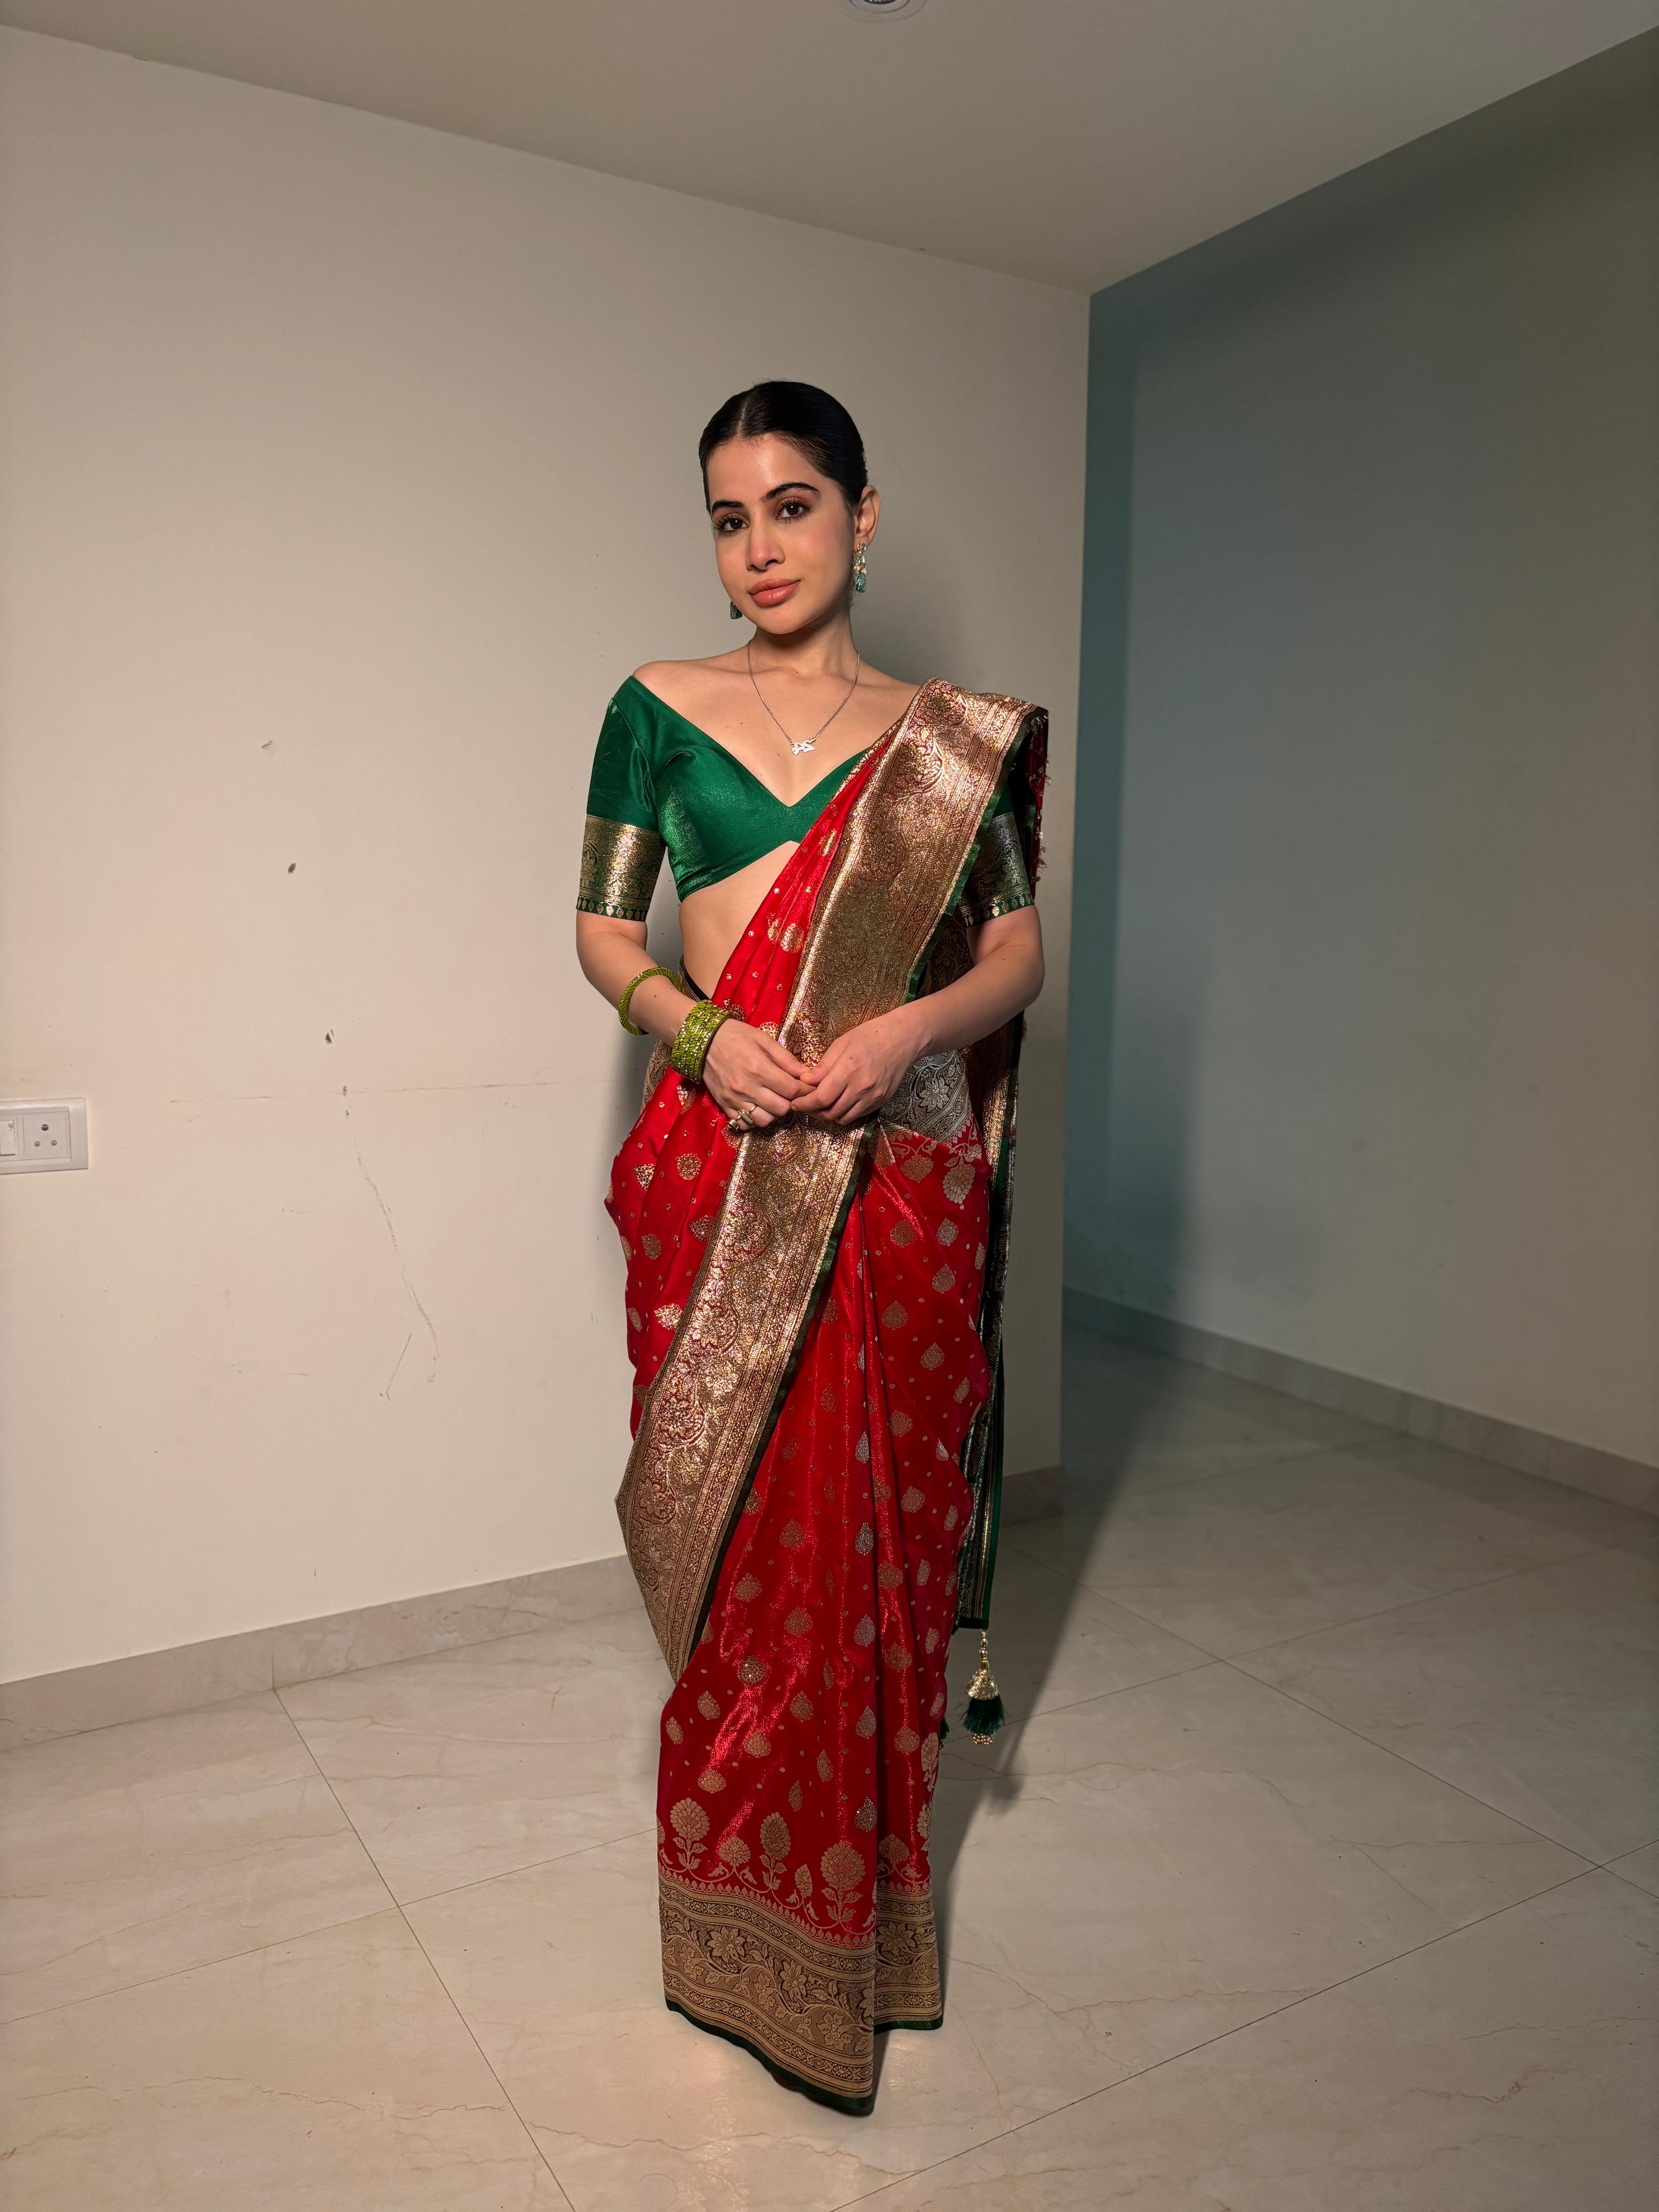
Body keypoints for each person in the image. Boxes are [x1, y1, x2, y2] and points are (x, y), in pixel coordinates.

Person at [574, 380, 1046, 2113]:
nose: (756, 547)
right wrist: (698, 1038)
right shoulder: (654, 711)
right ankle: (734, 1934)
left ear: (862, 514)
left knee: (875, 1552)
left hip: (890, 1183)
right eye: (725, 515)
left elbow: (1014, 961)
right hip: (724, 1176)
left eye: (789, 505)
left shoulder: (947, 739)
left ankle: (868, 1932)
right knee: (746, 1558)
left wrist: (908, 1033)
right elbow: (599, 929)